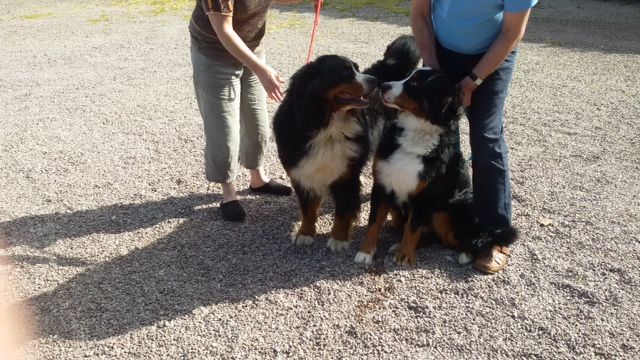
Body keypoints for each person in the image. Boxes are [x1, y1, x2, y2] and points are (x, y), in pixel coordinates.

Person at [410, 0, 537, 273]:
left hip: (492, 55)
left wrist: (472, 81)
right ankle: (437, 218)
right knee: (440, 135)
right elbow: (420, 13)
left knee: (486, 137)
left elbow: (512, 32)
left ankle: (495, 234)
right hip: (440, 53)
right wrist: (433, 70)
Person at [189, 0, 309, 221]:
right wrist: (262, 70)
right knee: (224, 130)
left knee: (258, 124)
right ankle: (228, 194)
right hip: (214, 53)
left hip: (252, 48)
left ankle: (258, 179)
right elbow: (224, 30)